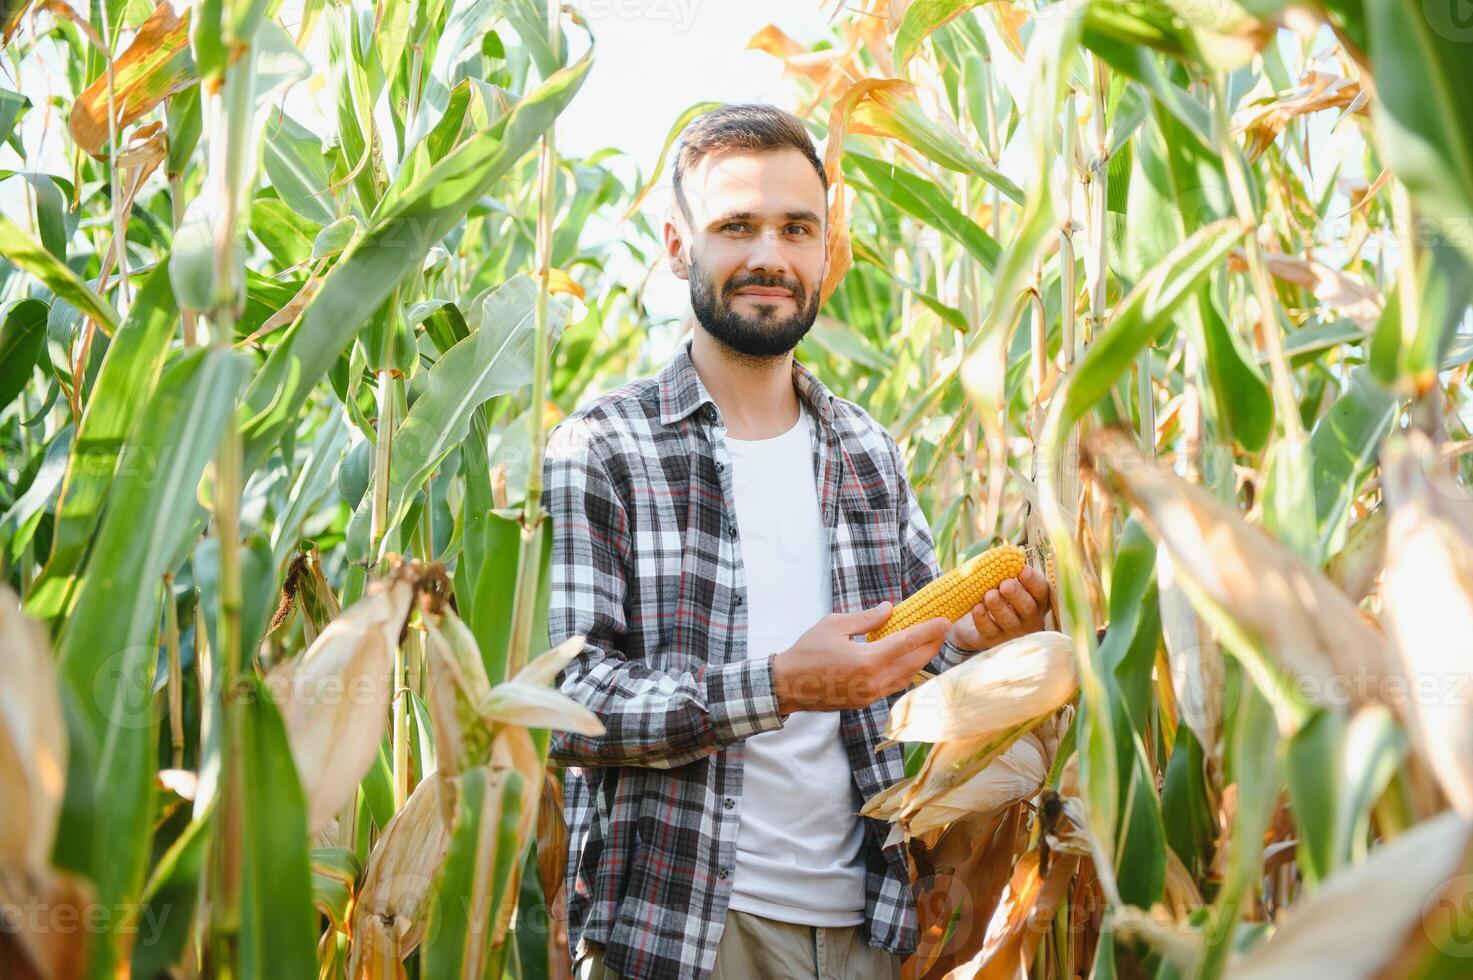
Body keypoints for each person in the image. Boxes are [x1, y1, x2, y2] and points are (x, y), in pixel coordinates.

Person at [541, 103, 1052, 980]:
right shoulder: (604, 447)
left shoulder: (866, 452)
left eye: (795, 228)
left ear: (823, 251)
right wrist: (777, 687)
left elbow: (908, 671)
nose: (768, 255)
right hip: (684, 930)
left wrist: (971, 642)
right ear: (677, 246)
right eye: (734, 226)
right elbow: (566, 704)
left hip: (863, 929)